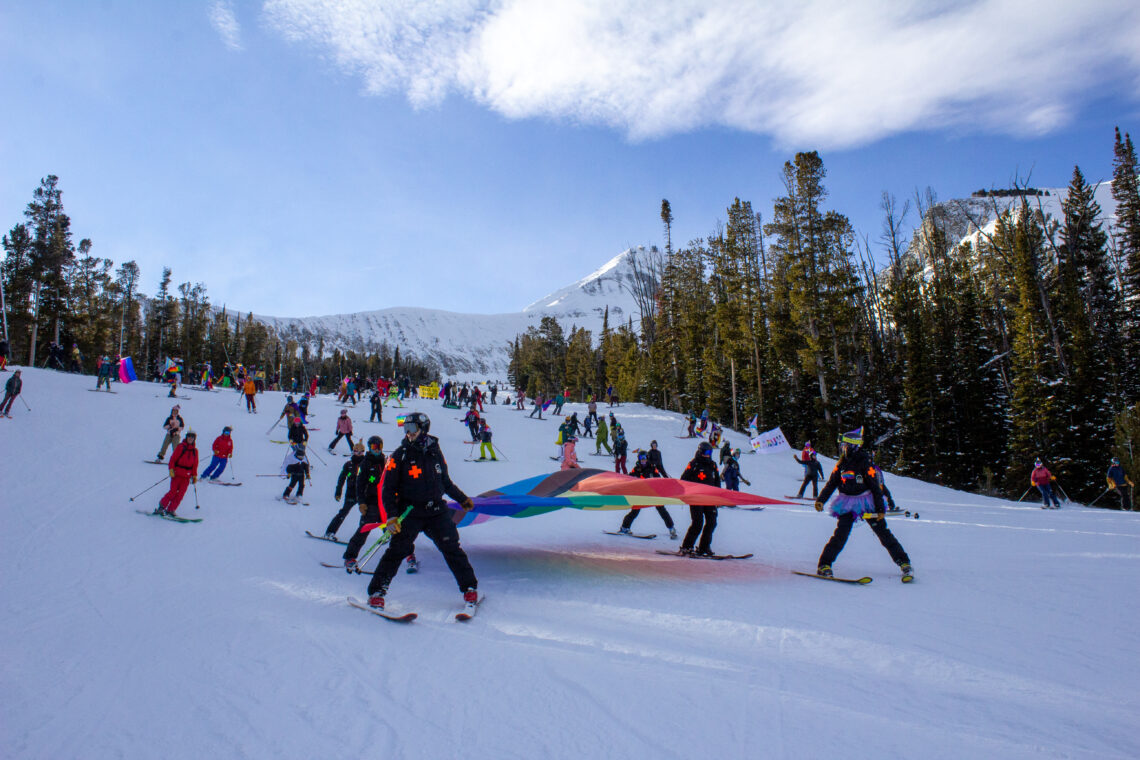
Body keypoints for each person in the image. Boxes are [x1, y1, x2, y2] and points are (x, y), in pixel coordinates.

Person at [364, 412, 478, 611]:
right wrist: (391, 516)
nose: (408, 434)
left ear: (423, 429)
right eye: (405, 429)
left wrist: (462, 499)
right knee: (398, 550)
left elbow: (445, 481)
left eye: (412, 429)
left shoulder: (435, 451)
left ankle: (469, 588)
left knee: (452, 548)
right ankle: (377, 592)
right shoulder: (400, 455)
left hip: (436, 511)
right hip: (410, 512)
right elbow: (387, 489)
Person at [814, 429, 912, 578]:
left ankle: (904, 562)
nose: (842, 447)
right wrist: (820, 500)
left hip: (867, 502)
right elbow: (831, 484)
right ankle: (824, 564)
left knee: (883, 533)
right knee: (841, 534)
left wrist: (880, 509)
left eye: (844, 445)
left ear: (851, 446)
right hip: (847, 503)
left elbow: (875, 487)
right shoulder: (841, 464)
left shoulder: (865, 462)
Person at [619, 450, 677, 538]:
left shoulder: (652, 468)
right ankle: (625, 527)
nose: (643, 460)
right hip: (641, 493)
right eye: (641, 458)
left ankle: (671, 528)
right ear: (638, 459)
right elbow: (630, 478)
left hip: (653, 493)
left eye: (644, 458)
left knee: (662, 510)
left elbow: (658, 479)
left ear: (647, 458)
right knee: (635, 510)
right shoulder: (636, 469)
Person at [679, 441, 721, 556]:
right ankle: (686, 547)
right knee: (698, 523)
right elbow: (683, 479)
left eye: (710, 452)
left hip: (710, 498)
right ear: (701, 452)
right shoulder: (694, 464)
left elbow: (717, 481)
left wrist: (719, 497)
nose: (708, 454)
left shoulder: (713, 465)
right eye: (706, 452)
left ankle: (704, 547)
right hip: (696, 497)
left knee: (712, 522)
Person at [325, 441, 366, 538]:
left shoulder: (366, 464)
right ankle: (330, 532)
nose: (358, 454)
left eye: (360, 452)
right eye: (356, 451)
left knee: (369, 514)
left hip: (363, 494)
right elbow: (341, 478)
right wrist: (338, 492)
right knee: (343, 513)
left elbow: (372, 478)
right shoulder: (348, 464)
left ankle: (365, 534)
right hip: (351, 493)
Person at [155, 431, 198, 516]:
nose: (190, 439)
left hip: (186, 476)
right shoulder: (181, 447)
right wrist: (171, 469)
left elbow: (195, 464)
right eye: (189, 437)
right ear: (186, 437)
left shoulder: (195, 451)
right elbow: (173, 459)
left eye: (192, 437)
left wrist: (194, 475)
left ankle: (171, 509)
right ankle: (162, 507)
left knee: (180, 494)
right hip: (177, 474)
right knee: (173, 492)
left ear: (194, 439)